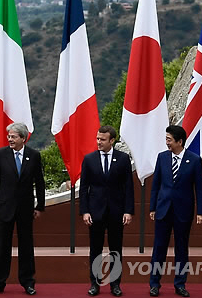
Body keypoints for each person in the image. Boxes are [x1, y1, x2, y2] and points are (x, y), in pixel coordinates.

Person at [0, 123, 45, 296]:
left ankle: (28, 282)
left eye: (13, 137)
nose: (9, 139)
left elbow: (39, 183)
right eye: (9, 137)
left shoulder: (34, 155)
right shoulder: (1, 154)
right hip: (5, 207)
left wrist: (39, 206)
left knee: (26, 246)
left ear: (23, 138)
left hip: (26, 209)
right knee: (2, 246)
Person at [148, 125, 202, 297]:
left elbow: (200, 189)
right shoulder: (162, 157)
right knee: (159, 248)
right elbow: (156, 185)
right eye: (166, 139)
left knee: (181, 248)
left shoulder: (194, 160)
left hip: (183, 211)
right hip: (163, 209)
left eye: (169, 140)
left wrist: (201, 212)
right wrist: (152, 207)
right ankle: (154, 284)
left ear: (179, 141)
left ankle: (180, 284)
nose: (167, 143)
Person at [79, 126, 134, 297]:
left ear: (112, 141)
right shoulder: (89, 159)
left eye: (102, 139)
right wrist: (85, 211)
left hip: (116, 212)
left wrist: (128, 211)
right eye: (97, 139)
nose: (98, 142)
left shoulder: (123, 159)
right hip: (95, 213)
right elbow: (84, 188)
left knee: (115, 249)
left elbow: (128, 188)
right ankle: (95, 284)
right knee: (95, 249)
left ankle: (115, 284)